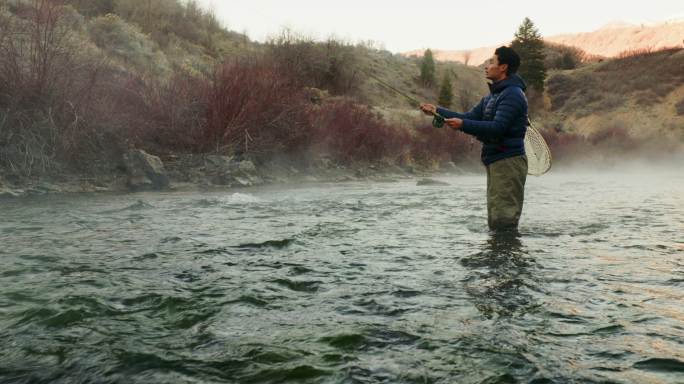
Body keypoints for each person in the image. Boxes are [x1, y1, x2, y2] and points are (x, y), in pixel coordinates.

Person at [420, 46, 528, 231]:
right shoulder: (493, 96)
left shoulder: (513, 95)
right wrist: (437, 111)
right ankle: (499, 257)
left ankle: (507, 258)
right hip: (496, 159)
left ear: (503, 67)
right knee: (496, 219)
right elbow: (468, 117)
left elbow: (497, 128)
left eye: (492, 62)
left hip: (508, 161)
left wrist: (463, 126)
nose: (486, 66)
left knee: (503, 220)